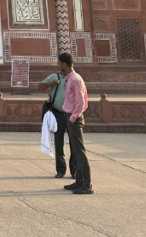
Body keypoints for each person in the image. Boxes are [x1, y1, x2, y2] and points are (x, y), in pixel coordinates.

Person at [59, 52, 92, 195]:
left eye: (60, 63)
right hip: (71, 116)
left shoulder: (75, 80)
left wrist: (72, 118)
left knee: (80, 152)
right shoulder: (70, 79)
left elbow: (81, 103)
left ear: (64, 64)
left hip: (74, 118)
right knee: (76, 152)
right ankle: (79, 181)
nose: (59, 66)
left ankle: (87, 184)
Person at [37, 70, 75, 179]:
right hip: (58, 114)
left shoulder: (74, 78)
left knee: (74, 144)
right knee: (59, 143)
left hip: (71, 114)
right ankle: (60, 170)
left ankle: (74, 170)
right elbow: (40, 87)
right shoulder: (55, 76)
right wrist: (51, 84)